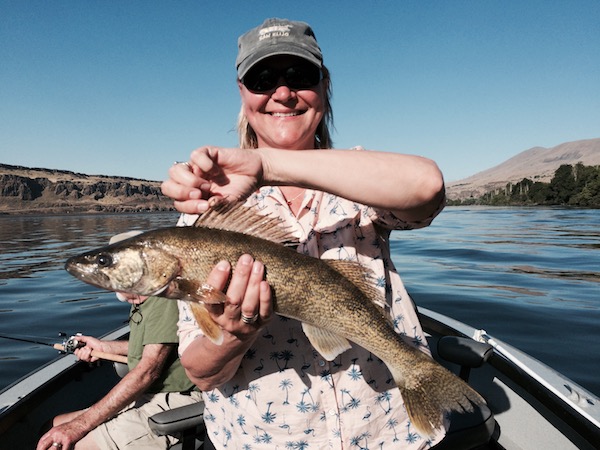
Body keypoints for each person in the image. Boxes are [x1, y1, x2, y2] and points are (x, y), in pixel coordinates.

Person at [162, 18, 447, 449]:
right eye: (262, 79)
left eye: (299, 75)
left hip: (387, 435)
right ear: (242, 93)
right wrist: (234, 334)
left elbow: (427, 186)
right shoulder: (207, 213)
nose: (281, 92)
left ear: (324, 85)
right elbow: (202, 375)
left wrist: (267, 166)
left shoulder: (361, 178)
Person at [36, 232, 202, 450]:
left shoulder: (163, 298)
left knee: (62, 444)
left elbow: (147, 371)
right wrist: (104, 346)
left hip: (175, 399)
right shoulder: (142, 300)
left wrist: (80, 425)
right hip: (149, 393)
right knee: (50, 426)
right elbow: (158, 345)